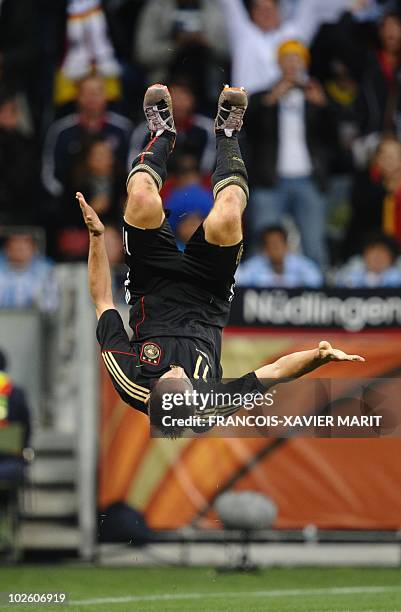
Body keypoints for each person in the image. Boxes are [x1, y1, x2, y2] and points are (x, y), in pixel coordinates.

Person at [78, 83, 364, 438]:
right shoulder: (209, 404)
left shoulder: (130, 380)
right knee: (228, 213)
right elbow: (274, 373)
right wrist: (317, 358)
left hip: (152, 283)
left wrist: (95, 237)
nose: (176, 372)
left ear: (154, 397)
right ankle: (228, 132)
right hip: (207, 295)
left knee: (139, 198)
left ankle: (162, 133)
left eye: (168, 379)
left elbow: (102, 300)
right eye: (183, 382)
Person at [246, 39, 336, 265]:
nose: (292, 65)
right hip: (270, 181)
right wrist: (270, 101)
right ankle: (255, 294)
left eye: (297, 59)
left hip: (309, 179)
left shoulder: (314, 95)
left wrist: (324, 107)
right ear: (279, 64)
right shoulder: (263, 96)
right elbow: (247, 128)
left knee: (314, 246)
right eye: (287, 59)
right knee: (262, 243)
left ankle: (319, 298)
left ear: (304, 64)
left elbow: (334, 137)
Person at [218, 0, 351, 94]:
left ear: (278, 10)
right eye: (259, 9)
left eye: (269, 9)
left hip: (289, 110)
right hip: (251, 111)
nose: (265, 13)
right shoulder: (244, 35)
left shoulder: (294, 34)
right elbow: (229, 4)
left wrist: (351, 4)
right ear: (252, 13)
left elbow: (312, 4)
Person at [42, 74, 132, 199]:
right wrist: (65, 201)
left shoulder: (122, 128)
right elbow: (49, 172)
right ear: (77, 96)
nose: (92, 98)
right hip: (70, 205)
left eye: (97, 92)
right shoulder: (61, 130)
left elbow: (131, 167)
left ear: (106, 95)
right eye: (87, 93)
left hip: (115, 204)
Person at [236, 225, 323, 287]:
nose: (276, 249)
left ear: (286, 246)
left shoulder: (302, 265)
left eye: (279, 244)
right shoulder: (254, 266)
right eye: (272, 245)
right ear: (264, 249)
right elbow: (237, 280)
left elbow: (316, 280)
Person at [0, 233, 58, 312]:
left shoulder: (46, 270)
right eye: (15, 242)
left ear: (34, 248)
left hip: (36, 322)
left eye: (25, 242)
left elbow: (50, 306)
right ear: (7, 248)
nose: (20, 246)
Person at [336, 233, 401, 288]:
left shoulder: (398, 275)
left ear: (392, 258)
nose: (377, 259)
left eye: (382, 254)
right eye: (373, 253)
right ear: (364, 255)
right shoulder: (350, 272)